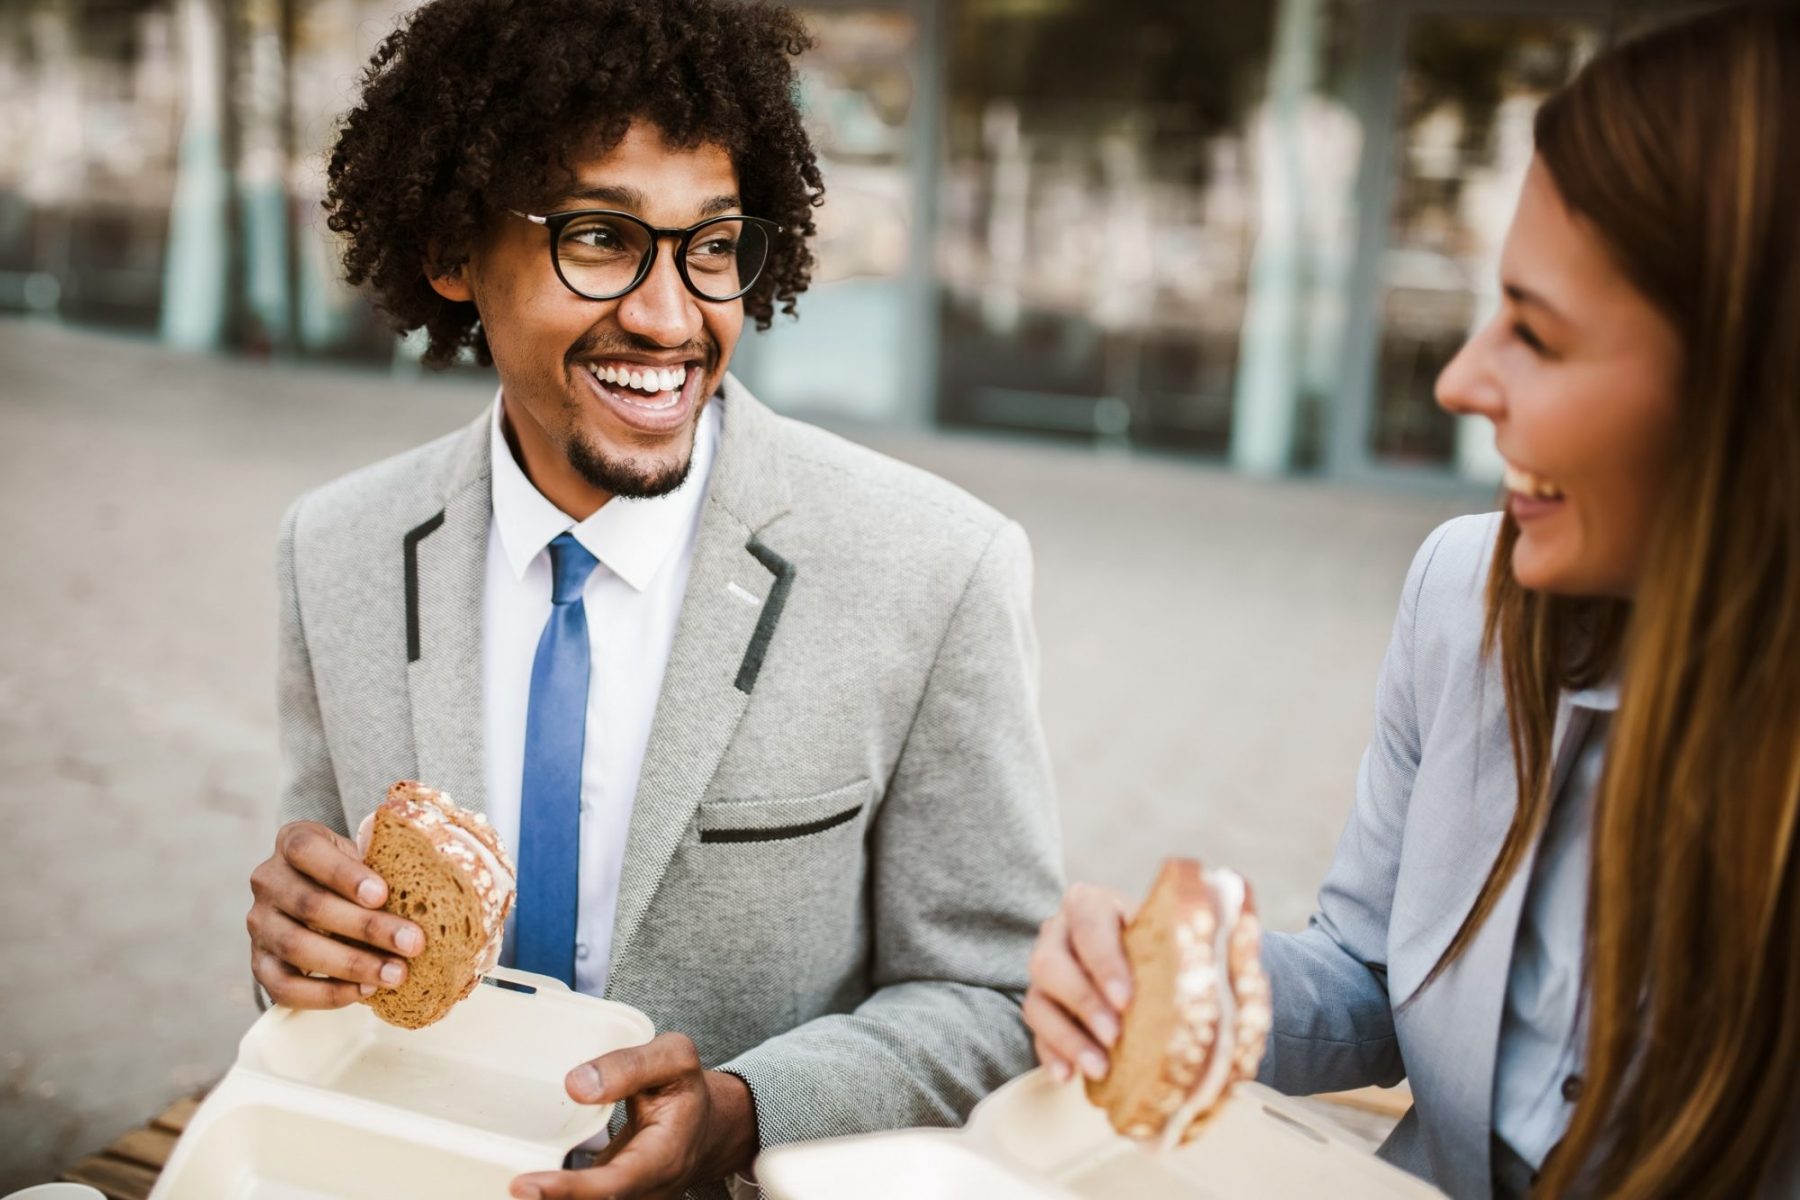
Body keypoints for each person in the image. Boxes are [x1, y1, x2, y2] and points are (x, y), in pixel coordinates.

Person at [241, 2, 1064, 1197]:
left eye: (714, 245)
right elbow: (324, 972)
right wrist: (291, 952)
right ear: (453, 249)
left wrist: (744, 1113)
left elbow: (1000, 999)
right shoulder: (336, 549)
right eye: (598, 238)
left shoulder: (938, 567)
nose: (672, 317)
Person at [1023, 6, 1800, 1197]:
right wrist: (1168, 990)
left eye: (1536, 334)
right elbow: (1373, 979)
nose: (1458, 379)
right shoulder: (1464, 597)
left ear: (1752, 393)